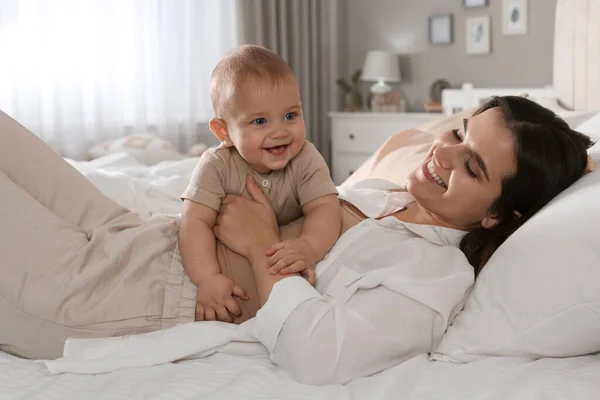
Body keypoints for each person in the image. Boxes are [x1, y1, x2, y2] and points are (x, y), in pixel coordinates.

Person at [0, 96, 592, 385]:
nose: (444, 153)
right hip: (147, 234)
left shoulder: (435, 278)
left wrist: (260, 243)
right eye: (461, 133)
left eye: (474, 167)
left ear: (497, 216)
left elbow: (320, 356)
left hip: (129, 297)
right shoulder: (388, 193)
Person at [178, 45, 341, 322]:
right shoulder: (216, 165)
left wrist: (309, 246)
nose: (279, 131)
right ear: (224, 131)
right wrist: (208, 278)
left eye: (291, 115)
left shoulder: (306, 158)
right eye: (260, 121)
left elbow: (325, 207)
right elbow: (194, 223)